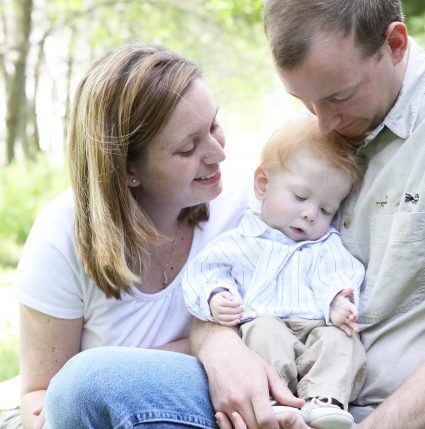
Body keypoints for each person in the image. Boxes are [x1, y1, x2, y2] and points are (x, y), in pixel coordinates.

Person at [189, 1, 425, 428]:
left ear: (395, 44)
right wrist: (221, 349)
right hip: (288, 400)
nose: (322, 123)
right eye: (303, 100)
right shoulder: (324, 125)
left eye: (337, 97)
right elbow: (236, 264)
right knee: (111, 380)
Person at [11, 44, 258, 429]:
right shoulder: (61, 237)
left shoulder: (243, 204)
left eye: (214, 126)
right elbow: (42, 395)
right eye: (188, 148)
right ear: (128, 169)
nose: (217, 154)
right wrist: (173, 356)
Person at [182, 116, 367, 429]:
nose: (310, 213)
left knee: (342, 341)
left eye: (326, 210)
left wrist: (338, 303)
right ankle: (274, 399)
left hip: (315, 324)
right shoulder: (242, 240)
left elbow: (340, 274)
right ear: (263, 185)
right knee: (263, 333)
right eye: (299, 197)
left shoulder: (325, 244)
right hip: (265, 320)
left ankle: (325, 401)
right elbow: (207, 271)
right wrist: (216, 296)